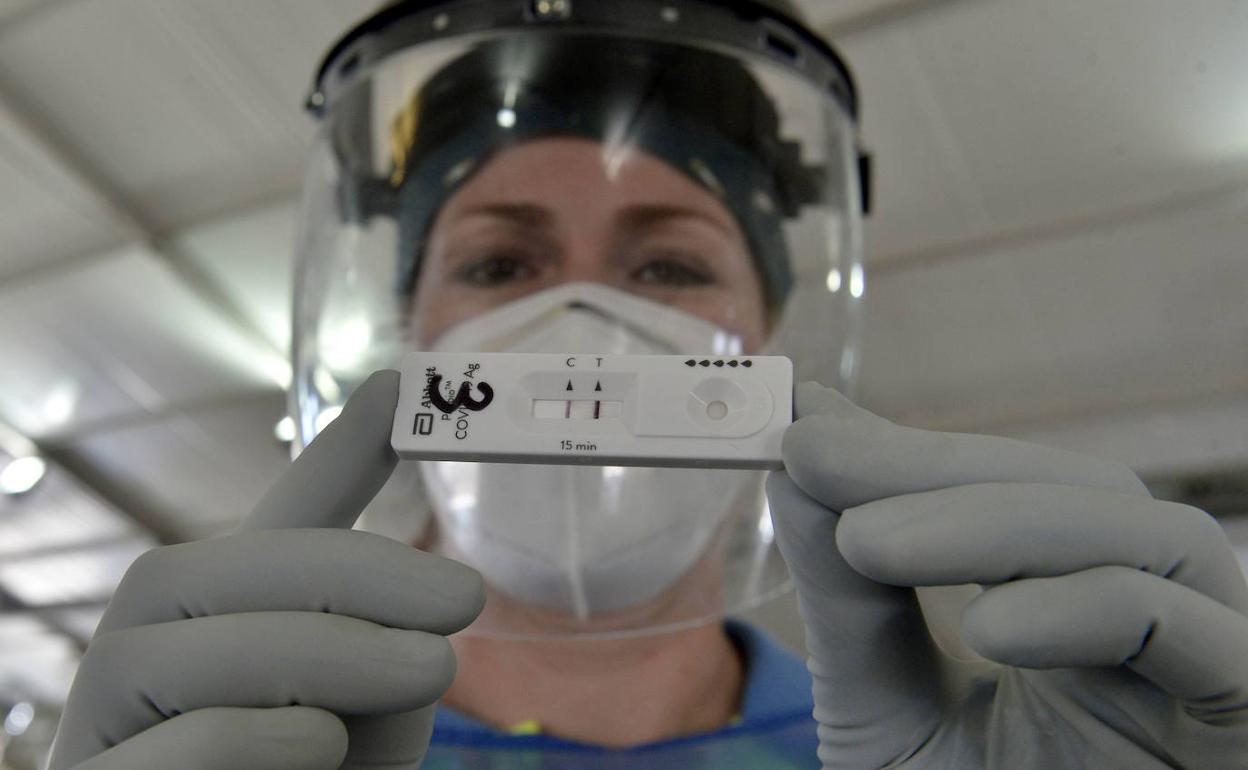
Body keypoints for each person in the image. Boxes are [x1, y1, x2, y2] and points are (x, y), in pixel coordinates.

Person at [45, 1, 1248, 768]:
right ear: (417, 328)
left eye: (668, 264)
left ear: (769, 333)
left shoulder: (968, 745)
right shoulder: (264, 746)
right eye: (500, 263)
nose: (581, 331)